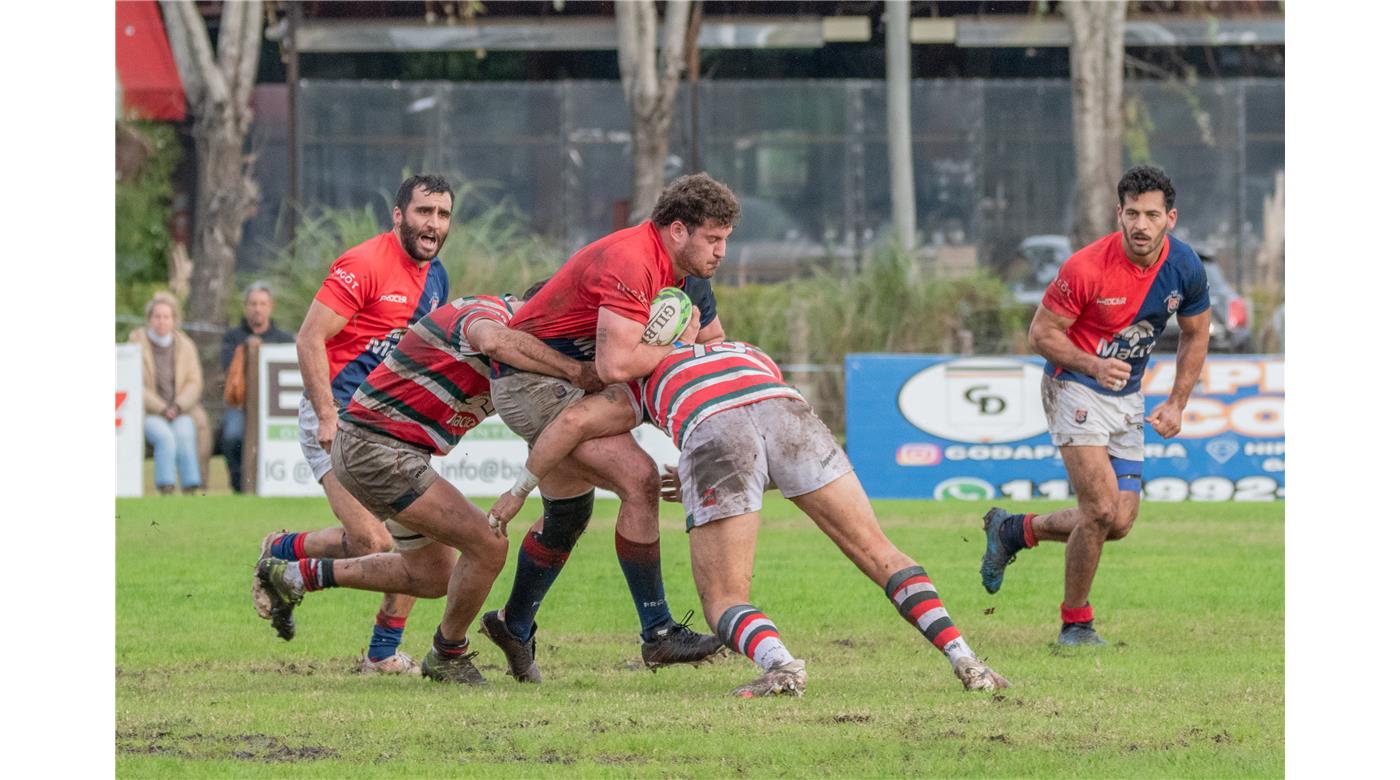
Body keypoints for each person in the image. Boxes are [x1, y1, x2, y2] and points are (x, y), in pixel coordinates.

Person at [488, 340, 1010, 697]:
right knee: (881, 552)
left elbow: (576, 420)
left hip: (715, 430)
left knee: (724, 599)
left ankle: (781, 666)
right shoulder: (743, 349)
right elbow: (765, 435)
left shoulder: (639, 376)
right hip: (787, 409)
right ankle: (967, 659)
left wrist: (518, 491)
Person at [254, 291, 603, 683]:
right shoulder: (489, 314)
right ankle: (446, 655)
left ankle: (296, 576)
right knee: (488, 545)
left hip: (393, 452)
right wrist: (575, 370)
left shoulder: (522, 362)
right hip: (378, 449)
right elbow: (491, 339)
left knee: (434, 576)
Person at [478, 173, 734, 683]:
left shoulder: (687, 277)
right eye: (714, 239)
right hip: (532, 381)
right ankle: (658, 634)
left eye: (726, 240)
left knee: (568, 517)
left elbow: (714, 348)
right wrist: (680, 348)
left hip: (575, 386)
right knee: (638, 480)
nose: (722, 251)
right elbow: (618, 365)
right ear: (678, 230)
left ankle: (513, 624)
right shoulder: (632, 258)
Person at [979, 165, 1211, 646]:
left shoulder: (1185, 266)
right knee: (1100, 508)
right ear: (1118, 214)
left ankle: (1014, 531)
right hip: (1073, 387)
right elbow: (1041, 334)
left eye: (1151, 215)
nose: (1141, 225)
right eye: (1132, 214)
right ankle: (1075, 623)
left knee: (1119, 522)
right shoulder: (1086, 267)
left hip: (1127, 396)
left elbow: (1196, 333)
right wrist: (1092, 365)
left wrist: (1177, 403)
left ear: (1171, 217)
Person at [251, 175, 453, 674]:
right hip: (338, 416)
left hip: (392, 425)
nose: (433, 224)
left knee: (422, 544)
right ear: (399, 215)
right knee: (372, 543)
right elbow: (308, 339)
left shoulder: (437, 277)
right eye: (424, 212)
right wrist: (325, 413)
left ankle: (381, 655)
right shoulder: (363, 264)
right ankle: (279, 553)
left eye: (443, 215)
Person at [129, 291, 209, 495]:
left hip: (181, 410)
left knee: (185, 432)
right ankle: (166, 486)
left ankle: (191, 486)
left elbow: (194, 382)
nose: (162, 321)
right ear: (149, 319)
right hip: (149, 412)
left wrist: (178, 406)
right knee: (164, 436)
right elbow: (133, 383)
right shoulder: (136, 344)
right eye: (157, 316)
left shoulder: (186, 346)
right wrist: (162, 407)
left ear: (174, 319)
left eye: (166, 317)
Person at [220, 282, 295, 493]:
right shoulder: (232, 337)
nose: (257, 308)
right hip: (241, 404)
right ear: (246, 307)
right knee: (232, 436)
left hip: (275, 408)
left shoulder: (285, 340)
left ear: (271, 306)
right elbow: (228, 370)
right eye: (253, 303)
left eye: (262, 303)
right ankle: (239, 487)